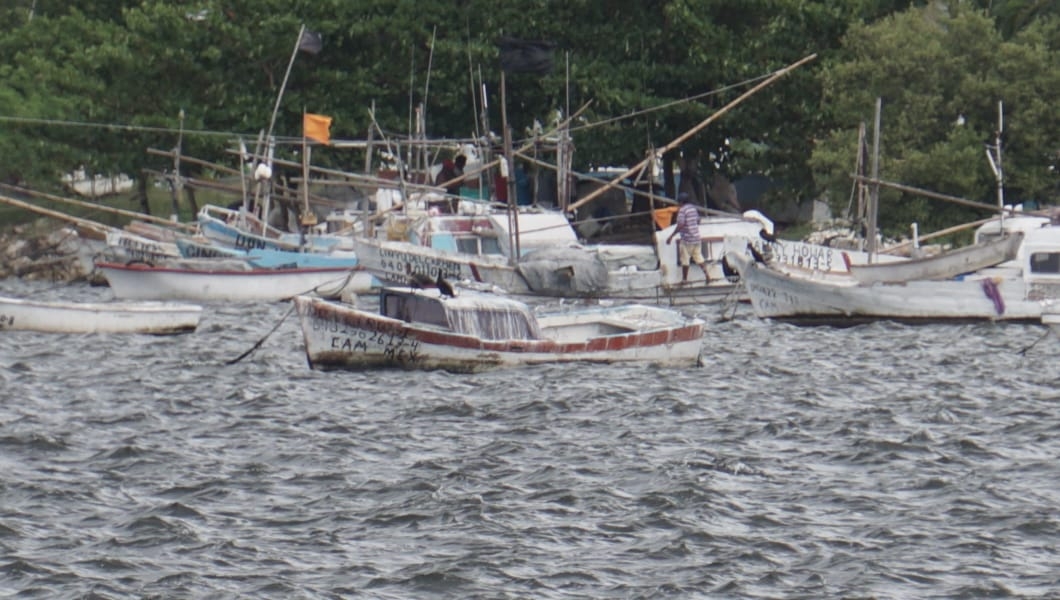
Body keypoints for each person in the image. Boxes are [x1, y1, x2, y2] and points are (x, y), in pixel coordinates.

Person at [666, 192, 711, 284]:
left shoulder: (682, 210)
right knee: (699, 257)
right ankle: (707, 276)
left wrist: (671, 236)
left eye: (679, 202)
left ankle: (685, 280)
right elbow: (698, 220)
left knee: (685, 259)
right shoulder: (693, 208)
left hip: (687, 239)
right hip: (696, 238)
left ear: (681, 202)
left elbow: (680, 225)